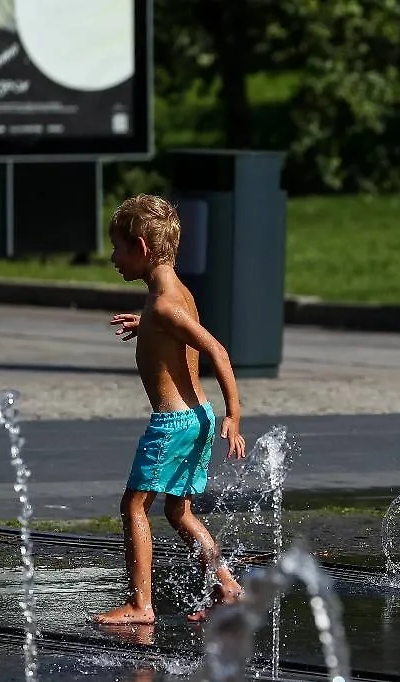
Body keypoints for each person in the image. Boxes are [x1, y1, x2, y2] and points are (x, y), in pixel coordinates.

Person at [92, 194, 248, 625]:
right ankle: (226, 585)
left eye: (118, 248)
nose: (113, 258)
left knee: (134, 506)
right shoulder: (172, 297)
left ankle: (141, 605)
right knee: (179, 511)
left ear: (141, 248)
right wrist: (147, 326)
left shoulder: (163, 304)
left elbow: (217, 350)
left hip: (173, 423)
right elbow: (177, 330)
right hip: (198, 417)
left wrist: (235, 415)